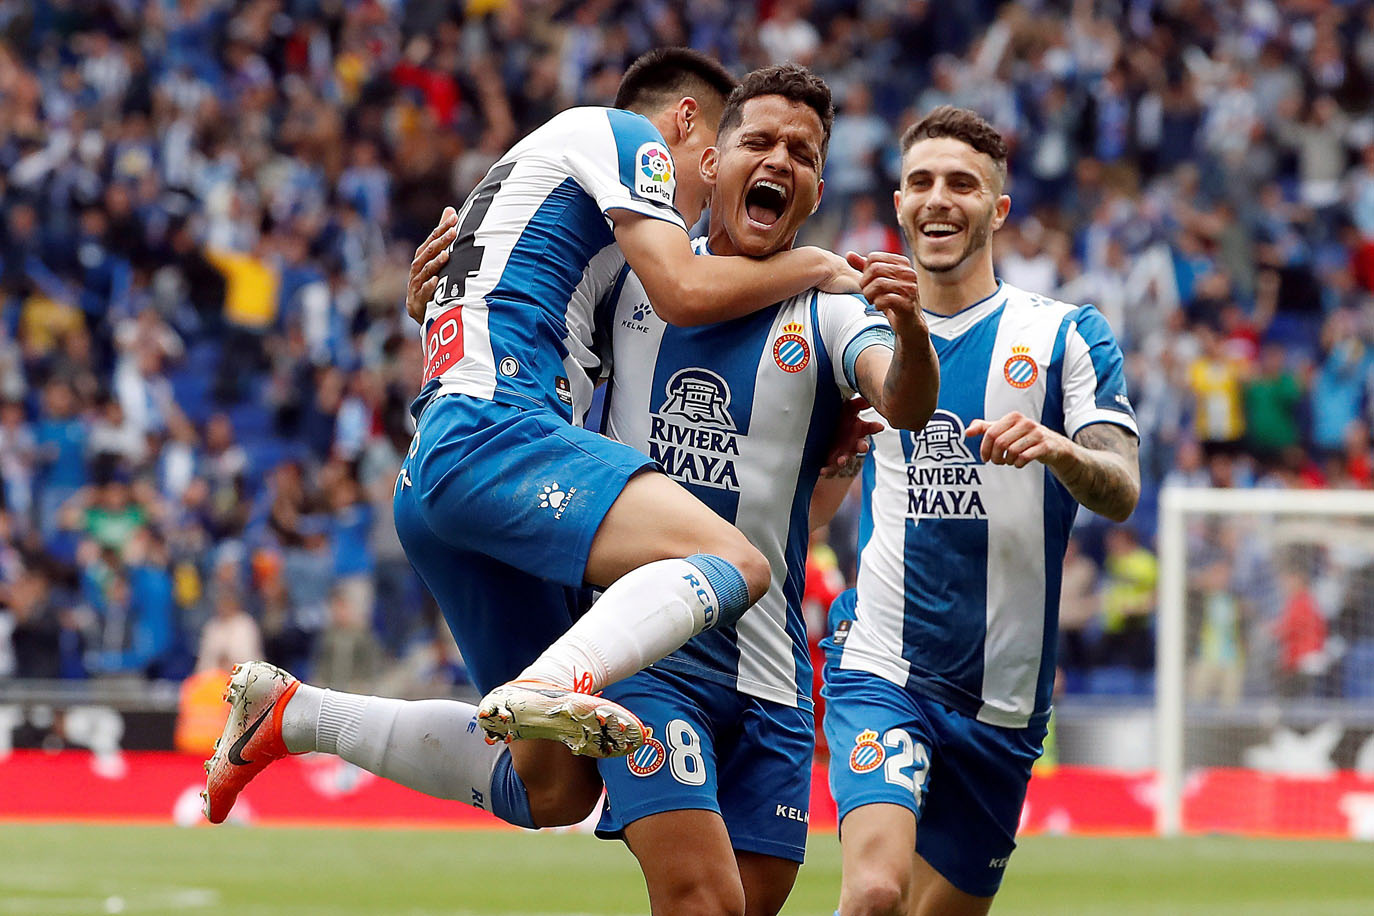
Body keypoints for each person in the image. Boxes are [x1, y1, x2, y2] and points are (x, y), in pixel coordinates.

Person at [202, 49, 858, 828]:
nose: (711, 186)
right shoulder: (626, 139)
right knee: (731, 560)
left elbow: (508, 291)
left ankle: (296, 714)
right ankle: (559, 679)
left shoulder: (572, 214)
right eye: (713, 158)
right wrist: (816, 265)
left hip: (442, 464)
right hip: (497, 428)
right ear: (685, 125)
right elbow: (684, 292)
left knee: (553, 789)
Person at [589, 66, 936, 916]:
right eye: (760, 140)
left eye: (802, 152)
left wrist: (913, 330)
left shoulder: (832, 306)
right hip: (649, 655)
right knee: (703, 902)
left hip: (773, 674)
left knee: (743, 904)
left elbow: (904, 401)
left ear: (814, 189)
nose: (781, 157)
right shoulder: (637, 275)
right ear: (712, 161)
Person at [813, 106, 1140, 915]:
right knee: (876, 891)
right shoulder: (859, 329)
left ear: (998, 209)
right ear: (898, 204)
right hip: (883, 660)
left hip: (1005, 696)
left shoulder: (1065, 335)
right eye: (921, 182)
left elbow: (1122, 486)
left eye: (963, 183)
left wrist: (1060, 450)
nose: (938, 199)